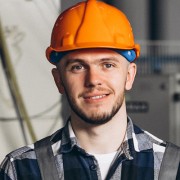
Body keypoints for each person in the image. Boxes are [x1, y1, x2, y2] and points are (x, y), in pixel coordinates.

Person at [0, 0, 180, 179]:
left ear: (129, 75)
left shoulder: (174, 167)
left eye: (108, 65)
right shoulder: (21, 170)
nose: (93, 80)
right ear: (59, 80)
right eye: (78, 67)